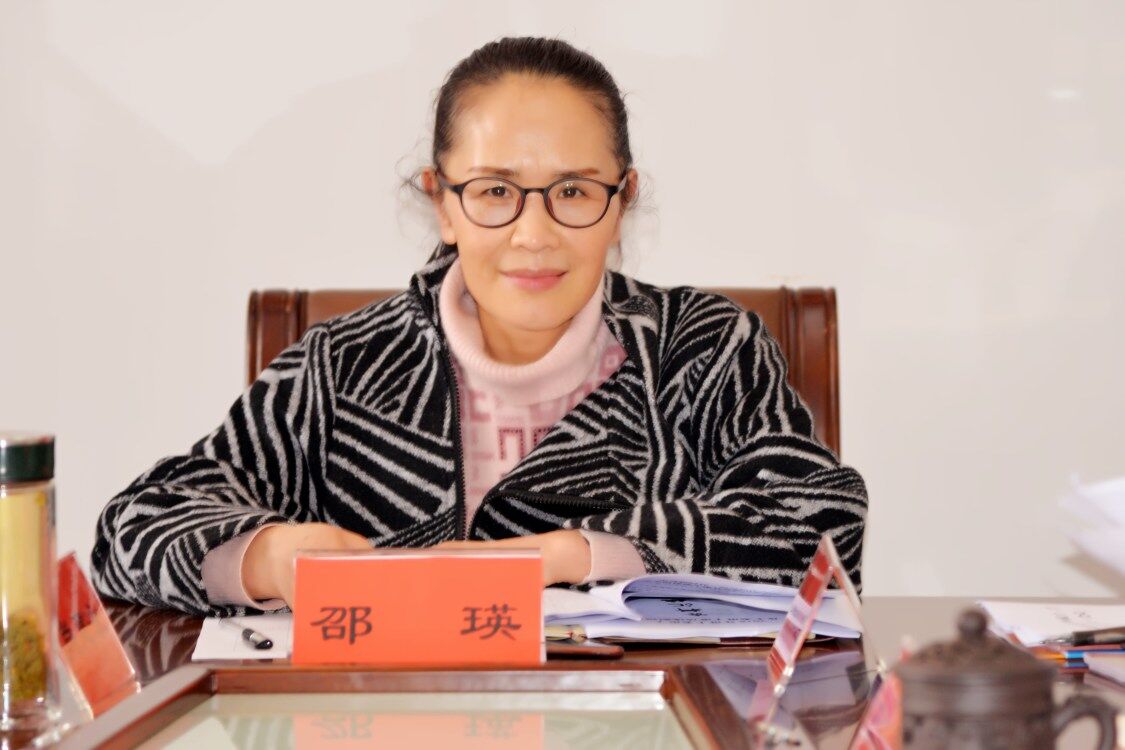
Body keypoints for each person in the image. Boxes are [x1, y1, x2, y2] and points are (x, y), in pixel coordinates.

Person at [91, 37, 868, 616]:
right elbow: (131, 528)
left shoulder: (703, 347)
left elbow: (821, 529)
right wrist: (268, 557)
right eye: (494, 191)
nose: (533, 235)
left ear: (622, 200)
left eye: (573, 191)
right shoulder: (340, 365)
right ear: (441, 201)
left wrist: (567, 556)